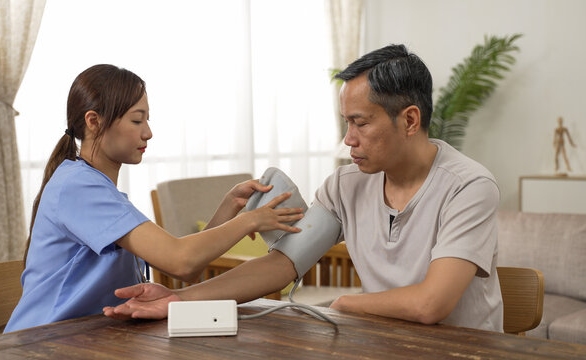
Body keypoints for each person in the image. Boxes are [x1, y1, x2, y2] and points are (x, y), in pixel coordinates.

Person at [104, 44, 504, 332]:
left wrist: (343, 304)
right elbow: (282, 266)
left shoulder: (469, 187)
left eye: (360, 123)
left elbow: (431, 304)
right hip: (382, 342)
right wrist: (177, 301)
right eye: (345, 122)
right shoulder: (346, 185)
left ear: (410, 120)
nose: (348, 139)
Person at [4, 64, 304, 333]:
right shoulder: (78, 187)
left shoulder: (93, 186)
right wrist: (250, 220)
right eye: (137, 121)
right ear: (94, 121)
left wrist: (229, 207)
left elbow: (188, 263)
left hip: (89, 337)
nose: (147, 133)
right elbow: (181, 262)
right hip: (43, 341)